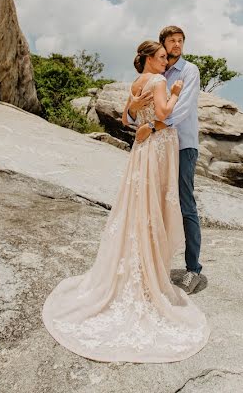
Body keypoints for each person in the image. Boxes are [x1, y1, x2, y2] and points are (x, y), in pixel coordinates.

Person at [41, 40, 209, 363]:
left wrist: (139, 118)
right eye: (161, 56)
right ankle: (151, 270)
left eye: (168, 55)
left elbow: (125, 117)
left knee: (138, 208)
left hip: (142, 152)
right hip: (158, 149)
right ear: (149, 58)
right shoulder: (161, 80)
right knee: (155, 206)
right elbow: (163, 112)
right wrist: (173, 93)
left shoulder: (137, 82)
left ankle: (141, 262)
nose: (165, 60)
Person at [123, 26, 203, 294]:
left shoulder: (189, 71)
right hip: (158, 147)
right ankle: (155, 264)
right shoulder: (156, 72)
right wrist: (134, 112)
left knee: (184, 203)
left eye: (181, 40)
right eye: (172, 41)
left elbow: (181, 109)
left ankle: (193, 269)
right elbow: (134, 112)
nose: (177, 45)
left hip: (182, 145)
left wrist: (154, 127)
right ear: (162, 45)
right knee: (153, 204)